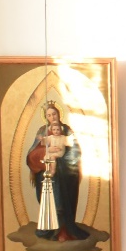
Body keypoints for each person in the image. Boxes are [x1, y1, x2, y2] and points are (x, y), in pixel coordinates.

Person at [28, 100, 88, 243]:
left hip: (64, 173)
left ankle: (64, 230)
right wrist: (46, 152)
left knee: (62, 201)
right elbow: (33, 152)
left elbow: (75, 150)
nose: (52, 117)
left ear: (58, 114)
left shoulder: (66, 130)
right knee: (51, 201)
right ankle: (49, 229)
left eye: (54, 113)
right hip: (47, 173)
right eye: (49, 115)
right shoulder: (42, 131)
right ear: (46, 117)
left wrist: (63, 161)